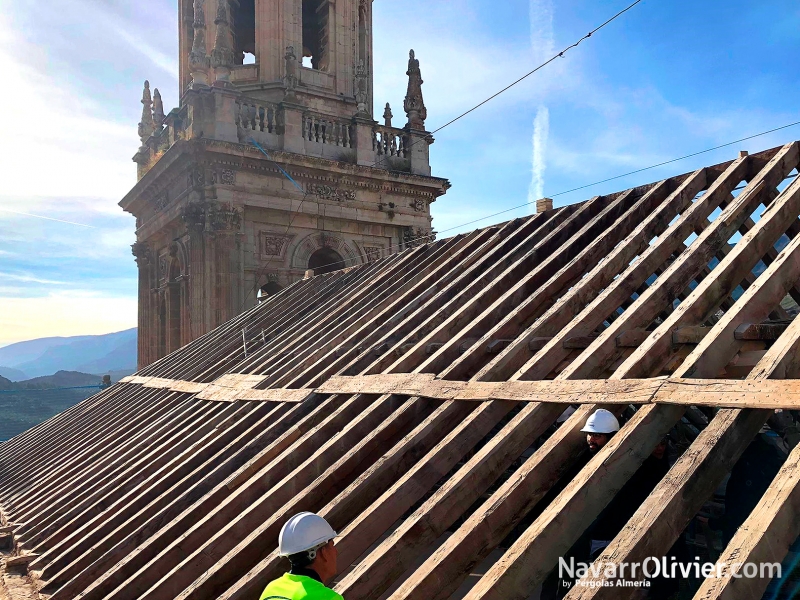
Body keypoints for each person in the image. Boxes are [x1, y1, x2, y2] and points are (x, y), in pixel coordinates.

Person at [541, 409, 621, 600]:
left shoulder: (622, 463)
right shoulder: (581, 459)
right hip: (571, 530)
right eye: (590, 435)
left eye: (597, 436)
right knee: (555, 576)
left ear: (611, 437)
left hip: (599, 533)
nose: (591, 440)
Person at [260, 512, 342, 600]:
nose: (336, 552)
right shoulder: (326, 597)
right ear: (324, 552)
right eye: (332, 545)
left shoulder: (271, 590)